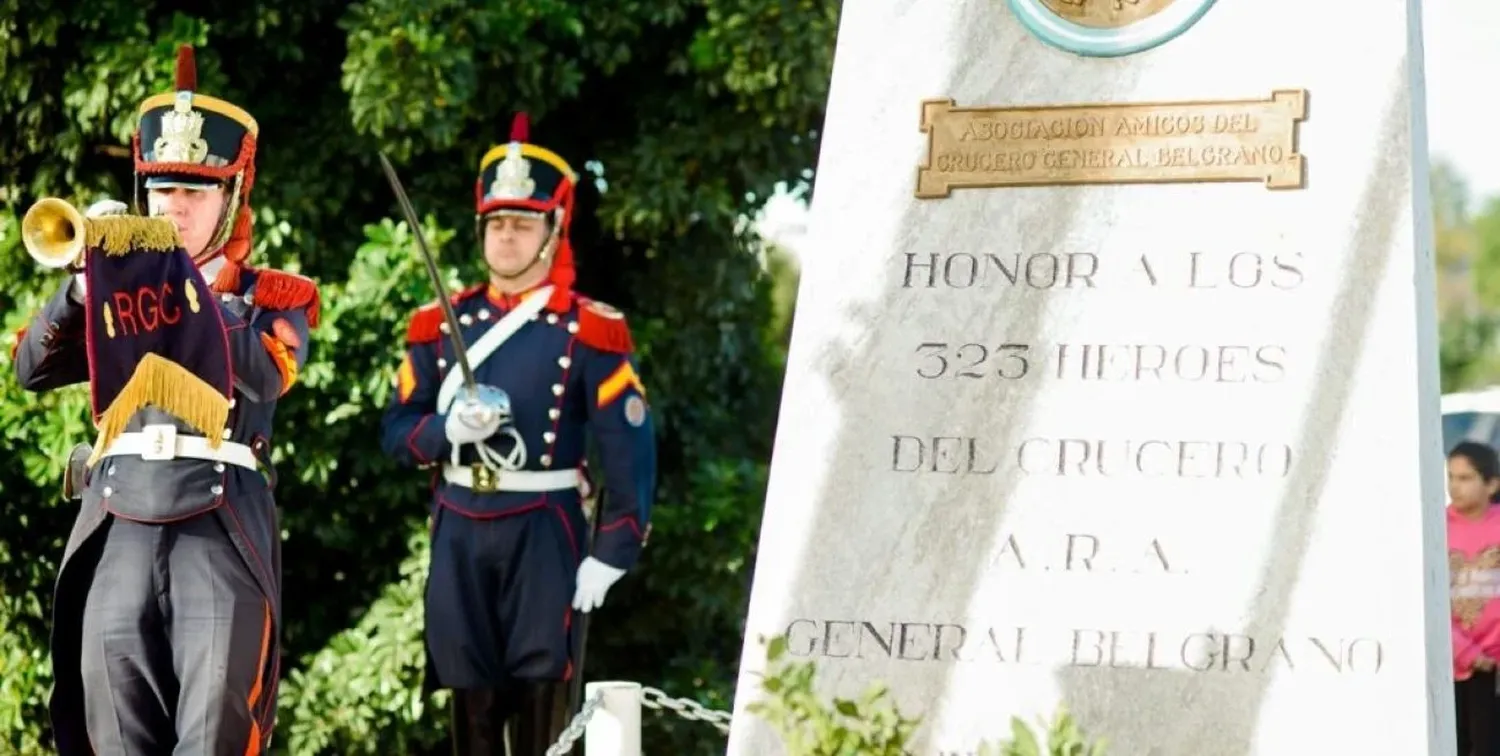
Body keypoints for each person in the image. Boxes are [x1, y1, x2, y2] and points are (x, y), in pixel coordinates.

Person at [13, 44, 320, 755]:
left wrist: (178, 279)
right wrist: (87, 286)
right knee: (114, 733)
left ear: (233, 196)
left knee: (215, 732)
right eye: (161, 192)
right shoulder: (117, 288)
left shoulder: (272, 297)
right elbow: (30, 369)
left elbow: (266, 373)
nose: (174, 207)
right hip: (116, 522)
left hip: (218, 528)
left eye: (194, 191)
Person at [380, 112, 657, 755]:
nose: (506, 238)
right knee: (468, 698)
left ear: (554, 230)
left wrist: (613, 552)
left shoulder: (588, 330)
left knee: (541, 705)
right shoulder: (437, 327)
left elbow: (629, 452)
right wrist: (445, 431)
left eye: (522, 224)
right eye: (496, 224)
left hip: (545, 526)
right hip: (458, 522)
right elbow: (396, 431)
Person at [1449, 440, 1500, 756]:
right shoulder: (1434, 527)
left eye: (1465, 478)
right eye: (1451, 476)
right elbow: (1427, 602)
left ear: (1491, 483)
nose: (1455, 486)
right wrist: (1466, 651)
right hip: (1451, 664)